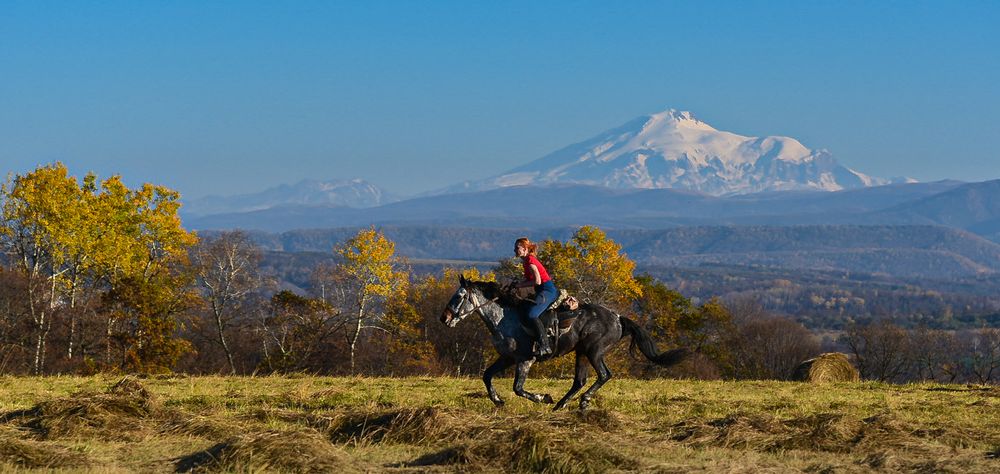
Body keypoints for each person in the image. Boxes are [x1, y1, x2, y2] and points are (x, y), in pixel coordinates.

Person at [513, 237, 557, 357]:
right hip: (541, 290)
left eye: (517, 248)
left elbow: (537, 281)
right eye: (515, 248)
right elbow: (529, 279)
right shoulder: (526, 261)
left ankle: (545, 345)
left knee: (532, 314)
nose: (515, 250)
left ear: (525, 248)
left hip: (547, 290)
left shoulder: (530, 261)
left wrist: (520, 285)